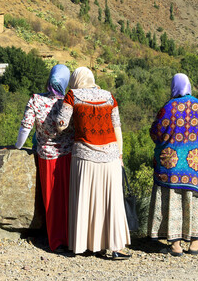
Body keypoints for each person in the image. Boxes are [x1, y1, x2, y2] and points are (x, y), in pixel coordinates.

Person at [57, 67, 131, 259]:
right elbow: (117, 127)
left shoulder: (72, 96)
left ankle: (85, 244)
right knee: (111, 202)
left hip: (84, 156)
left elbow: (61, 124)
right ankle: (115, 247)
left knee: (86, 200)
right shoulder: (109, 96)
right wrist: (120, 155)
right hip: (111, 157)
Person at [148, 73, 198, 256]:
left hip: (171, 164)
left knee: (173, 202)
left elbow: (155, 133)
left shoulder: (168, 107)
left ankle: (176, 246)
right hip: (196, 163)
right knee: (195, 200)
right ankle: (195, 244)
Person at [15, 64, 73, 251]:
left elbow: (26, 127)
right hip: (69, 157)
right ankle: (72, 238)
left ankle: (56, 241)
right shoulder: (70, 101)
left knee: (51, 200)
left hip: (47, 157)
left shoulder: (36, 100)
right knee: (68, 199)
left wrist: (17, 147)